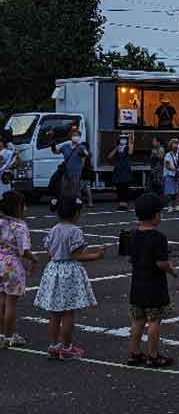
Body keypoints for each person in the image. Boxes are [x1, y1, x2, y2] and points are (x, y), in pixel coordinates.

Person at [34, 196, 106, 360]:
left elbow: (49, 250)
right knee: (68, 313)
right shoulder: (75, 231)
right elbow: (77, 255)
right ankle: (66, 347)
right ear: (76, 213)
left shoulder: (54, 229)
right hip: (69, 271)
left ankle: (53, 346)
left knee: (54, 313)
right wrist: (97, 255)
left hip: (53, 269)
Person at [126, 193, 177, 368]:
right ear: (156, 215)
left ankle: (133, 353)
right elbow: (161, 263)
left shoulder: (132, 234)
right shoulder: (158, 238)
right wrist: (171, 270)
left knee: (137, 319)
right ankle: (153, 355)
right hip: (154, 285)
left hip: (137, 283)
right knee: (154, 320)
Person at [0, 191, 37, 349]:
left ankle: (2, 334)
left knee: (1, 299)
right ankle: (9, 336)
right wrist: (34, 259)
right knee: (11, 302)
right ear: (17, 207)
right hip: (12, 264)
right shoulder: (19, 226)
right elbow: (24, 250)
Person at [51, 128, 89, 201]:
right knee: (64, 187)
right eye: (74, 135)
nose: (76, 137)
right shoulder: (65, 146)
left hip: (76, 172)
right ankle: (66, 203)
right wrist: (53, 144)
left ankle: (77, 203)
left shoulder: (81, 147)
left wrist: (84, 154)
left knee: (75, 189)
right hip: (66, 171)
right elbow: (56, 152)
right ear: (70, 136)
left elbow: (86, 154)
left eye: (78, 135)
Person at [108, 131, 135, 211]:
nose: (122, 140)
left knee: (125, 186)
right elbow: (109, 156)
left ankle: (125, 204)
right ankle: (120, 203)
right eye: (121, 139)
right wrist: (116, 148)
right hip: (118, 169)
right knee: (119, 186)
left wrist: (131, 140)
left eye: (124, 139)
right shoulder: (117, 148)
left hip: (125, 168)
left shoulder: (127, 147)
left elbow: (130, 152)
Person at [163, 139, 179, 213]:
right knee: (170, 192)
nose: (175, 145)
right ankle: (169, 206)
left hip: (177, 175)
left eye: (176, 144)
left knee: (177, 191)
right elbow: (167, 165)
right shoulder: (168, 155)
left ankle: (177, 206)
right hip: (169, 175)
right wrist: (177, 169)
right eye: (174, 144)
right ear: (171, 145)